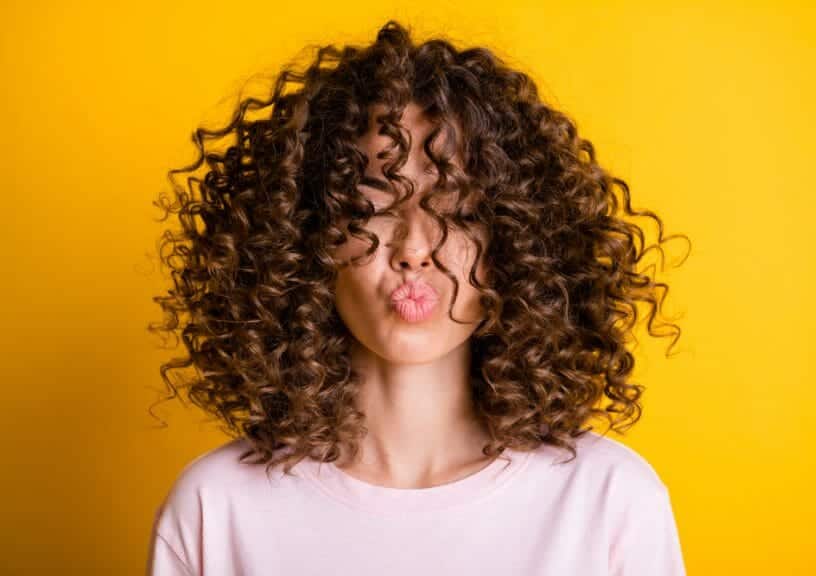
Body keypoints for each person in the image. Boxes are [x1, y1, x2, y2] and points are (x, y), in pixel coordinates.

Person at [146, 19, 690, 575]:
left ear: (516, 243)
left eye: (455, 211)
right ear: (308, 237)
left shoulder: (608, 502)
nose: (414, 249)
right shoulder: (215, 510)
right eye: (375, 205)